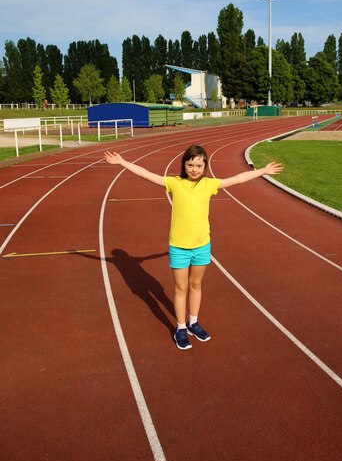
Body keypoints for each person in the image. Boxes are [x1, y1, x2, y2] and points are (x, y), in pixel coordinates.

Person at [104, 145, 283, 351]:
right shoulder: (174, 182)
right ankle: (180, 328)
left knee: (196, 286)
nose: (194, 169)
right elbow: (146, 174)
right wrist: (122, 162)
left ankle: (193, 322)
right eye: (190, 165)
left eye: (199, 165)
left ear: (205, 166)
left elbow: (237, 179)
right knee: (181, 289)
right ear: (184, 165)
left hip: (202, 246)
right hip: (179, 247)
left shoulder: (209, 184)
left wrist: (263, 171)